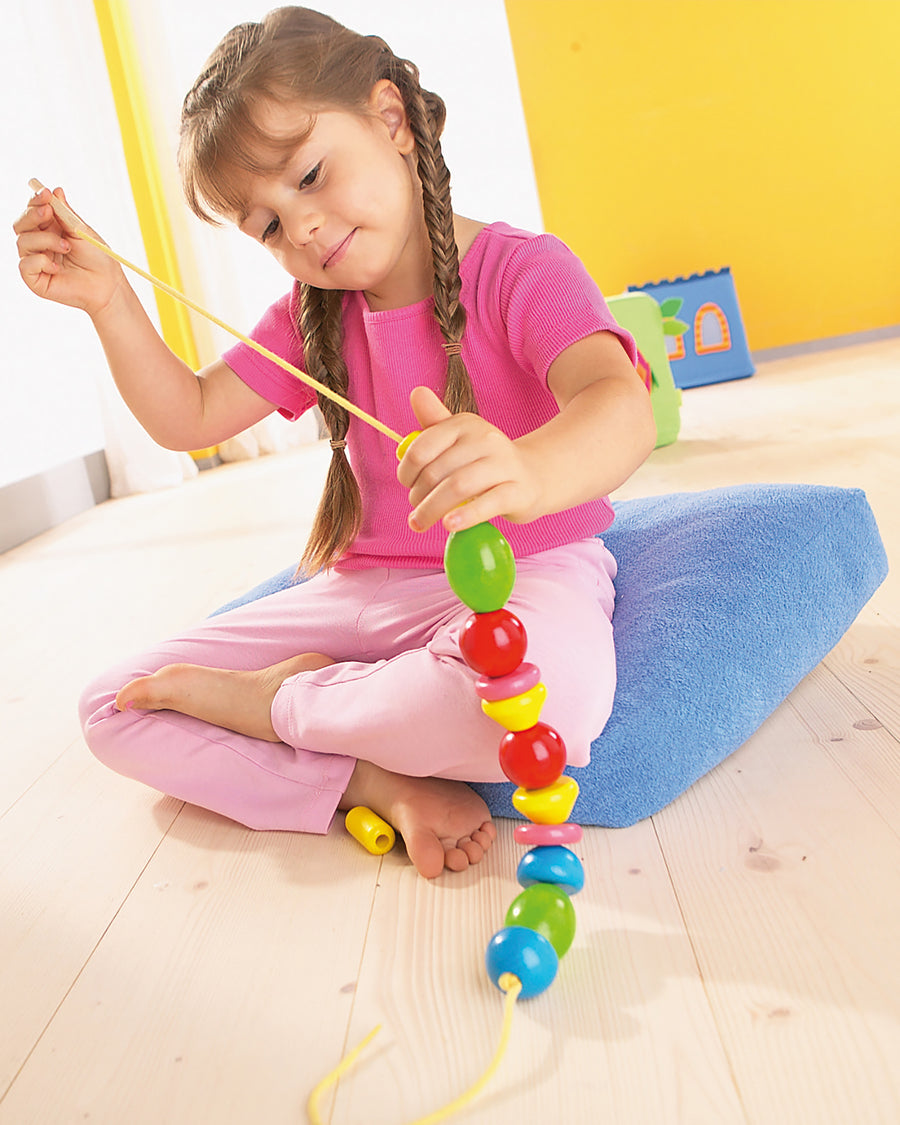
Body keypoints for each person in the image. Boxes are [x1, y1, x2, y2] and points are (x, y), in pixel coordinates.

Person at [13, 7, 655, 878]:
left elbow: (619, 402)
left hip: (523, 573)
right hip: (362, 592)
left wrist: (529, 468)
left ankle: (283, 704)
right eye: (270, 226)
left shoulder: (521, 269)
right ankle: (369, 777)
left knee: (560, 702)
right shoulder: (312, 319)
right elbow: (188, 417)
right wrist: (109, 302)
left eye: (310, 176)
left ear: (390, 119)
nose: (303, 229)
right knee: (111, 708)